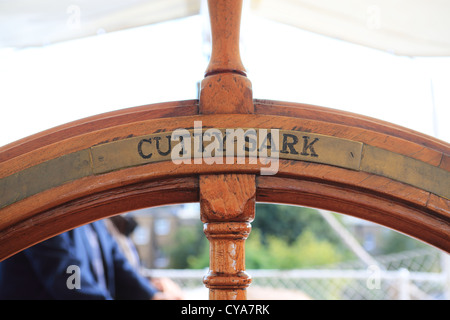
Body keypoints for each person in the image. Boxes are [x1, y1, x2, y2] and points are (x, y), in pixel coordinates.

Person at [0, 219, 180, 300]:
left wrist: (152, 295)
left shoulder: (93, 216)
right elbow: (69, 278)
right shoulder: (44, 213)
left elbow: (119, 266)